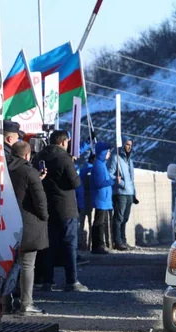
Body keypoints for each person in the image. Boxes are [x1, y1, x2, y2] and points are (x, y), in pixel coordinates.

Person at [35, 130, 88, 292]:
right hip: (66, 208)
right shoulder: (64, 158)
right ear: (63, 142)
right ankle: (71, 280)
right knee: (69, 244)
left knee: (49, 244)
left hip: (47, 206)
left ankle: (47, 281)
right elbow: (75, 183)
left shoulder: (39, 156)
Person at [7, 141, 49, 314]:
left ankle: (6, 302)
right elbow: (40, 200)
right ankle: (26, 303)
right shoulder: (29, 171)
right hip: (28, 223)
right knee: (27, 265)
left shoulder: (6, 169)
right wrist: (45, 217)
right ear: (27, 155)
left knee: (9, 265)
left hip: (7, 222)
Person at [107, 137, 138, 251]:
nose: (129, 147)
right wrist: (117, 180)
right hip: (120, 192)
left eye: (131, 145)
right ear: (123, 145)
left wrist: (134, 192)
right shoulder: (116, 158)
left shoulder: (130, 161)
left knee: (125, 218)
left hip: (129, 192)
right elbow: (109, 174)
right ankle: (118, 241)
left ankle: (123, 240)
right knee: (119, 218)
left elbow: (131, 178)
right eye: (127, 144)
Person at [90, 142, 114, 255]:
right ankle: (97, 245)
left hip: (104, 199)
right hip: (101, 199)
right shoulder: (99, 165)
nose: (109, 154)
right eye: (108, 151)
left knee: (101, 222)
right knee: (99, 222)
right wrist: (112, 181)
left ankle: (100, 244)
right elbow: (100, 182)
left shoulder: (101, 164)